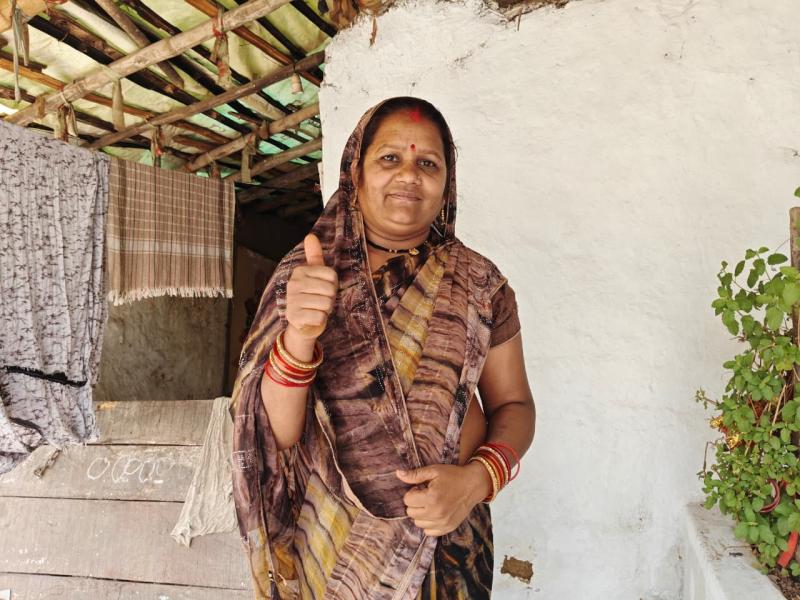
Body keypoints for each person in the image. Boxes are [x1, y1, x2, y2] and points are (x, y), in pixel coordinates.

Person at [230, 97, 536, 599]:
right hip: (330, 551)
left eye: (428, 163)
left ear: (447, 183)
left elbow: (515, 405)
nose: (409, 175)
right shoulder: (305, 276)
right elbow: (272, 435)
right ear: (356, 171)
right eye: (390, 158)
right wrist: (300, 334)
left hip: (447, 550)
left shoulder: (481, 286)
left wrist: (476, 482)